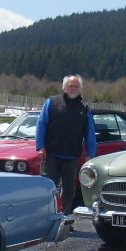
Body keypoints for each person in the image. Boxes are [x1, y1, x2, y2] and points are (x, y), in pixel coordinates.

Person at [35, 74, 96, 215]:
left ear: (80, 89)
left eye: (76, 86)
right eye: (70, 86)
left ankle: (65, 218)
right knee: (47, 189)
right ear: (64, 88)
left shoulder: (84, 109)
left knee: (69, 191)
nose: (73, 88)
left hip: (71, 157)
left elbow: (90, 134)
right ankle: (46, 217)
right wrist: (40, 146)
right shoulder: (52, 103)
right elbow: (41, 125)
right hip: (50, 155)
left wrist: (90, 155)